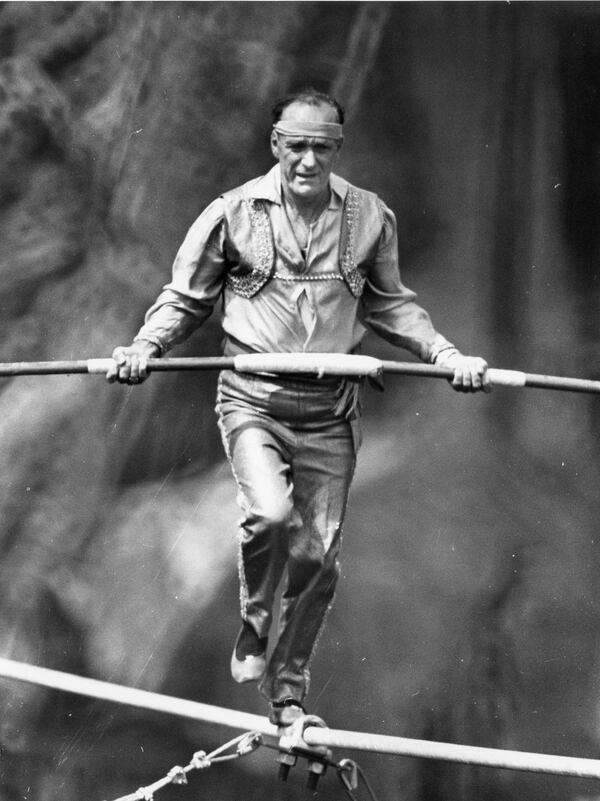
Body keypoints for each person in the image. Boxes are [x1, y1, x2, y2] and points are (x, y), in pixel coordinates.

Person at [107, 88, 490, 727]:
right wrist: (143, 346)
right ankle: (255, 623)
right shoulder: (231, 215)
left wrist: (446, 355)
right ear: (276, 145)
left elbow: (391, 305)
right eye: (297, 147)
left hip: (331, 414)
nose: (309, 162)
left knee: (318, 559)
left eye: (322, 148)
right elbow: (184, 298)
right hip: (254, 403)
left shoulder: (370, 218)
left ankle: (288, 691)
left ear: (336, 149)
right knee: (269, 513)